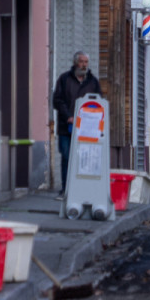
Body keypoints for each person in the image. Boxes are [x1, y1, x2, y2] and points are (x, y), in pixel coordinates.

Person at [51, 51, 101, 199]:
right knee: (67, 156)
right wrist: (68, 117)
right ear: (75, 63)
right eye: (81, 61)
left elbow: (98, 102)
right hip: (66, 127)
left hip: (86, 129)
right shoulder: (64, 79)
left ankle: (81, 191)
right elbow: (57, 100)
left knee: (84, 159)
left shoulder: (92, 82)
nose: (84, 65)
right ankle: (65, 190)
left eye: (86, 62)